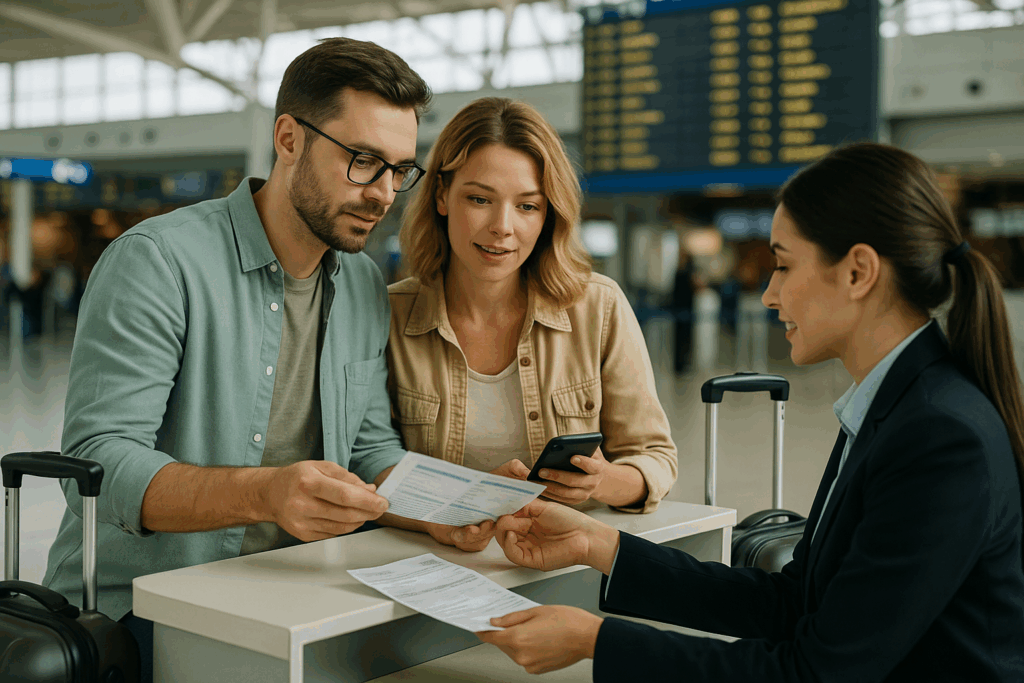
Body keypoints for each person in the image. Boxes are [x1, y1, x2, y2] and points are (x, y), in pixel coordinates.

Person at [477, 142, 1024, 681]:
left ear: (858, 272)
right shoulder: (892, 408)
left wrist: (594, 641)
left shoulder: (938, 436)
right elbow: (794, 603)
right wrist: (599, 545)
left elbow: (815, 672)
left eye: (783, 266)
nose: (768, 294)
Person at [42, 38, 431, 680]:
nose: (384, 193)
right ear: (288, 139)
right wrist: (266, 494)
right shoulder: (159, 262)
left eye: (399, 170)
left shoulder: (362, 284)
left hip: (296, 593)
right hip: (146, 612)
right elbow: (97, 463)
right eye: (363, 162)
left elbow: (369, 448)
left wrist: (449, 509)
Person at [383, 97, 678, 551]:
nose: (503, 227)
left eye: (527, 206)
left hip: (565, 564)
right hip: (431, 565)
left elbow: (655, 459)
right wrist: (465, 501)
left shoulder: (597, 308)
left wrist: (601, 482)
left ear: (549, 214)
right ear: (441, 195)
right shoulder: (389, 317)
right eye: (479, 199)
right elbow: (367, 467)